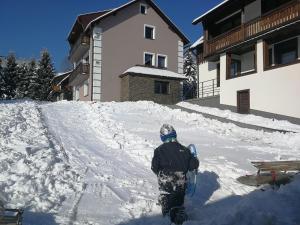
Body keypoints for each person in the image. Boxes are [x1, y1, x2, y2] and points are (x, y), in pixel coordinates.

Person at [151, 124, 199, 223]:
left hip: (164, 179)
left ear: (162, 137)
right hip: (180, 181)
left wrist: (160, 173)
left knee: (167, 192)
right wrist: (195, 159)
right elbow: (192, 166)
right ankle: (177, 211)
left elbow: (154, 167)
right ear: (175, 134)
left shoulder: (158, 150)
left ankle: (165, 200)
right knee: (178, 197)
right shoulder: (185, 150)